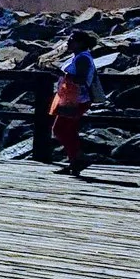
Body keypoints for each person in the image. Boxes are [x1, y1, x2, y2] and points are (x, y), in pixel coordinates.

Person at [51, 29, 102, 175]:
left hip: (77, 99)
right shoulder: (78, 57)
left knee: (59, 129)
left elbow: (80, 79)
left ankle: (79, 158)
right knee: (68, 130)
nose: (68, 42)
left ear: (81, 43)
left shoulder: (82, 59)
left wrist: (61, 74)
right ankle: (74, 162)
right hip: (72, 98)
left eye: (71, 40)